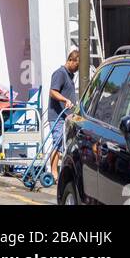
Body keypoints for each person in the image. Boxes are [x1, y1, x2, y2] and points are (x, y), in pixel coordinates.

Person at [48, 48, 79, 179]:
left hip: (66, 116)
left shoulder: (69, 76)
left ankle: (59, 172)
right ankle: (53, 173)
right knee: (57, 142)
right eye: (77, 65)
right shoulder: (60, 73)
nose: (77, 69)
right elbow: (52, 92)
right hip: (57, 116)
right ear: (70, 60)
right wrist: (65, 100)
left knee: (63, 144)